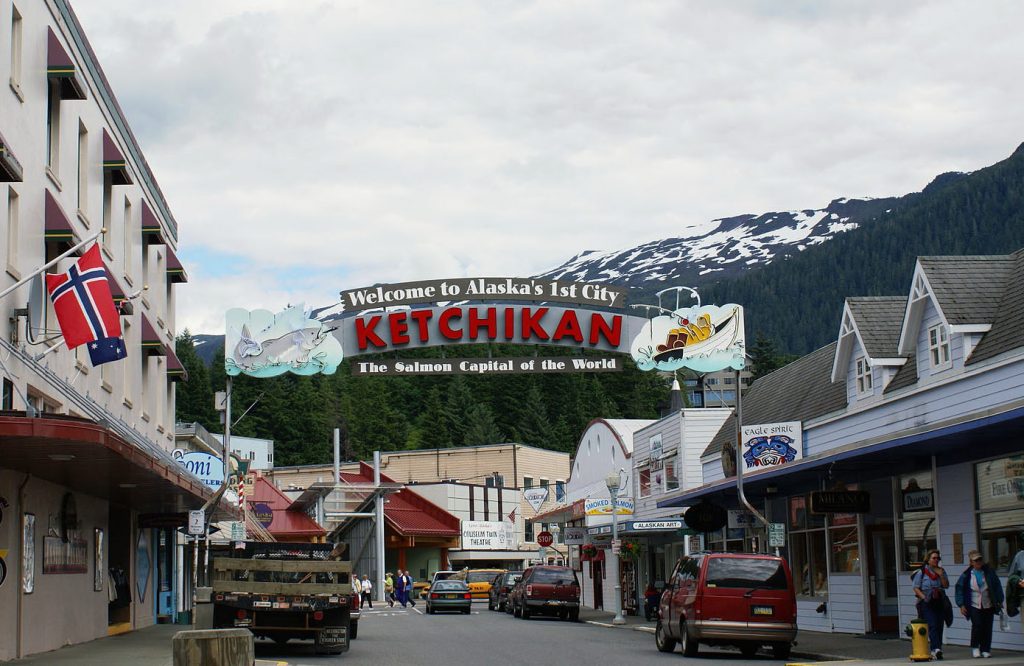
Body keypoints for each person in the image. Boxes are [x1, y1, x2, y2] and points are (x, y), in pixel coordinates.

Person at [955, 550, 1004, 659]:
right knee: (977, 625)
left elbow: (997, 586)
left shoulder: (989, 572)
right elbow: (959, 589)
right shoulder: (966, 575)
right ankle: (975, 647)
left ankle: (986, 649)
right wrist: (961, 604)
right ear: (971, 562)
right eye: (976, 560)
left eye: (980, 560)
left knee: (987, 626)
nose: (978, 562)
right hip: (973, 604)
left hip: (988, 603)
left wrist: (999, 600)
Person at [912, 549, 949, 660]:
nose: (936, 560)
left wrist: (941, 576)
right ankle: (935, 649)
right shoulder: (921, 572)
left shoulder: (941, 571)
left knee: (939, 625)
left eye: (938, 558)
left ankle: (937, 649)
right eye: (934, 558)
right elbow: (916, 588)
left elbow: (946, 585)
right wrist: (924, 598)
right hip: (927, 602)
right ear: (928, 560)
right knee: (932, 624)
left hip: (939, 601)